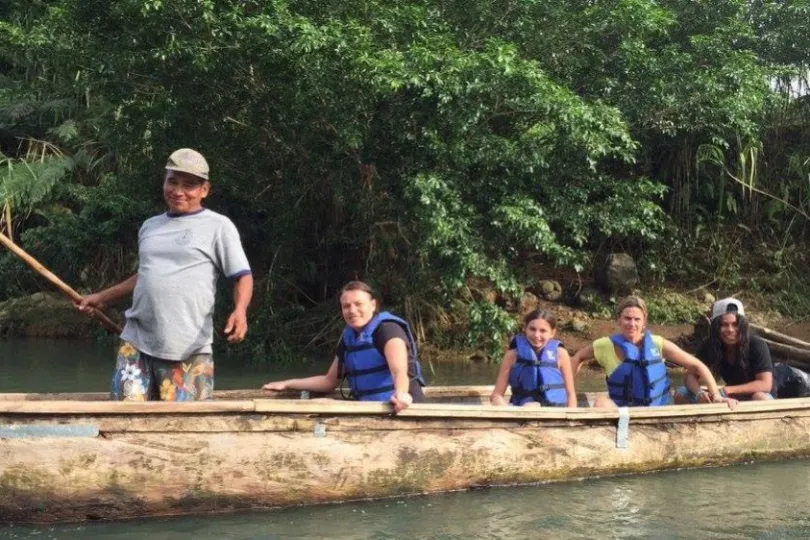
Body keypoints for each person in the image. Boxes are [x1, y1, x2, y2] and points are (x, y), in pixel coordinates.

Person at [77, 148, 253, 401]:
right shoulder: (150, 226)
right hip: (137, 341)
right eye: (172, 181)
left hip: (188, 347)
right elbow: (146, 275)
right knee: (124, 419)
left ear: (205, 190)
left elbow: (242, 275)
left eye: (189, 185)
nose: (178, 191)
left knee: (186, 427)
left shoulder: (218, 226)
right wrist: (102, 297)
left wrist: (240, 311)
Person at [262, 281, 425, 412]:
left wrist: (401, 395)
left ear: (373, 305)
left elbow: (399, 372)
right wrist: (287, 384)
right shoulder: (349, 338)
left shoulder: (388, 330)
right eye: (346, 306)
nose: (352, 310)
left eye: (358, 304)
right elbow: (329, 381)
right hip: (369, 410)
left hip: (401, 407)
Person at [571, 296, 735, 408]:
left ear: (644, 323)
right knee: (600, 402)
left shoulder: (657, 344)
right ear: (618, 320)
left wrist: (716, 395)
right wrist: (569, 393)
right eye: (627, 318)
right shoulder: (604, 345)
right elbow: (577, 358)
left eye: (637, 319)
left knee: (681, 395)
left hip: (658, 413)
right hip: (623, 415)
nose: (632, 324)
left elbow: (698, 366)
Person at [675, 298, 774, 403]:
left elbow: (765, 384)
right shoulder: (710, 345)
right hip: (728, 396)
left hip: (757, 394)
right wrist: (699, 393)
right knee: (681, 393)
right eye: (724, 325)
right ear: (716, 327)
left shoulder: (756, 344)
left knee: (759, 397)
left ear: (742, 326)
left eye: (735, 325)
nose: (730, 330)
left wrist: (728, 390)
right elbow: (690, 375)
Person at [490, 309, 577, 407]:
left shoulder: (561, 354)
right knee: (531, 405)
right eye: (532, 329)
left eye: (543, 331)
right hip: (523, 409)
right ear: (526, 329)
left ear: (552, 333)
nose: (536, 335)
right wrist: (501, 404)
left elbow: (571, 394)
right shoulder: (512, 354)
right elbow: (496, 394)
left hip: (556, 411)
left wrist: (570, 418)